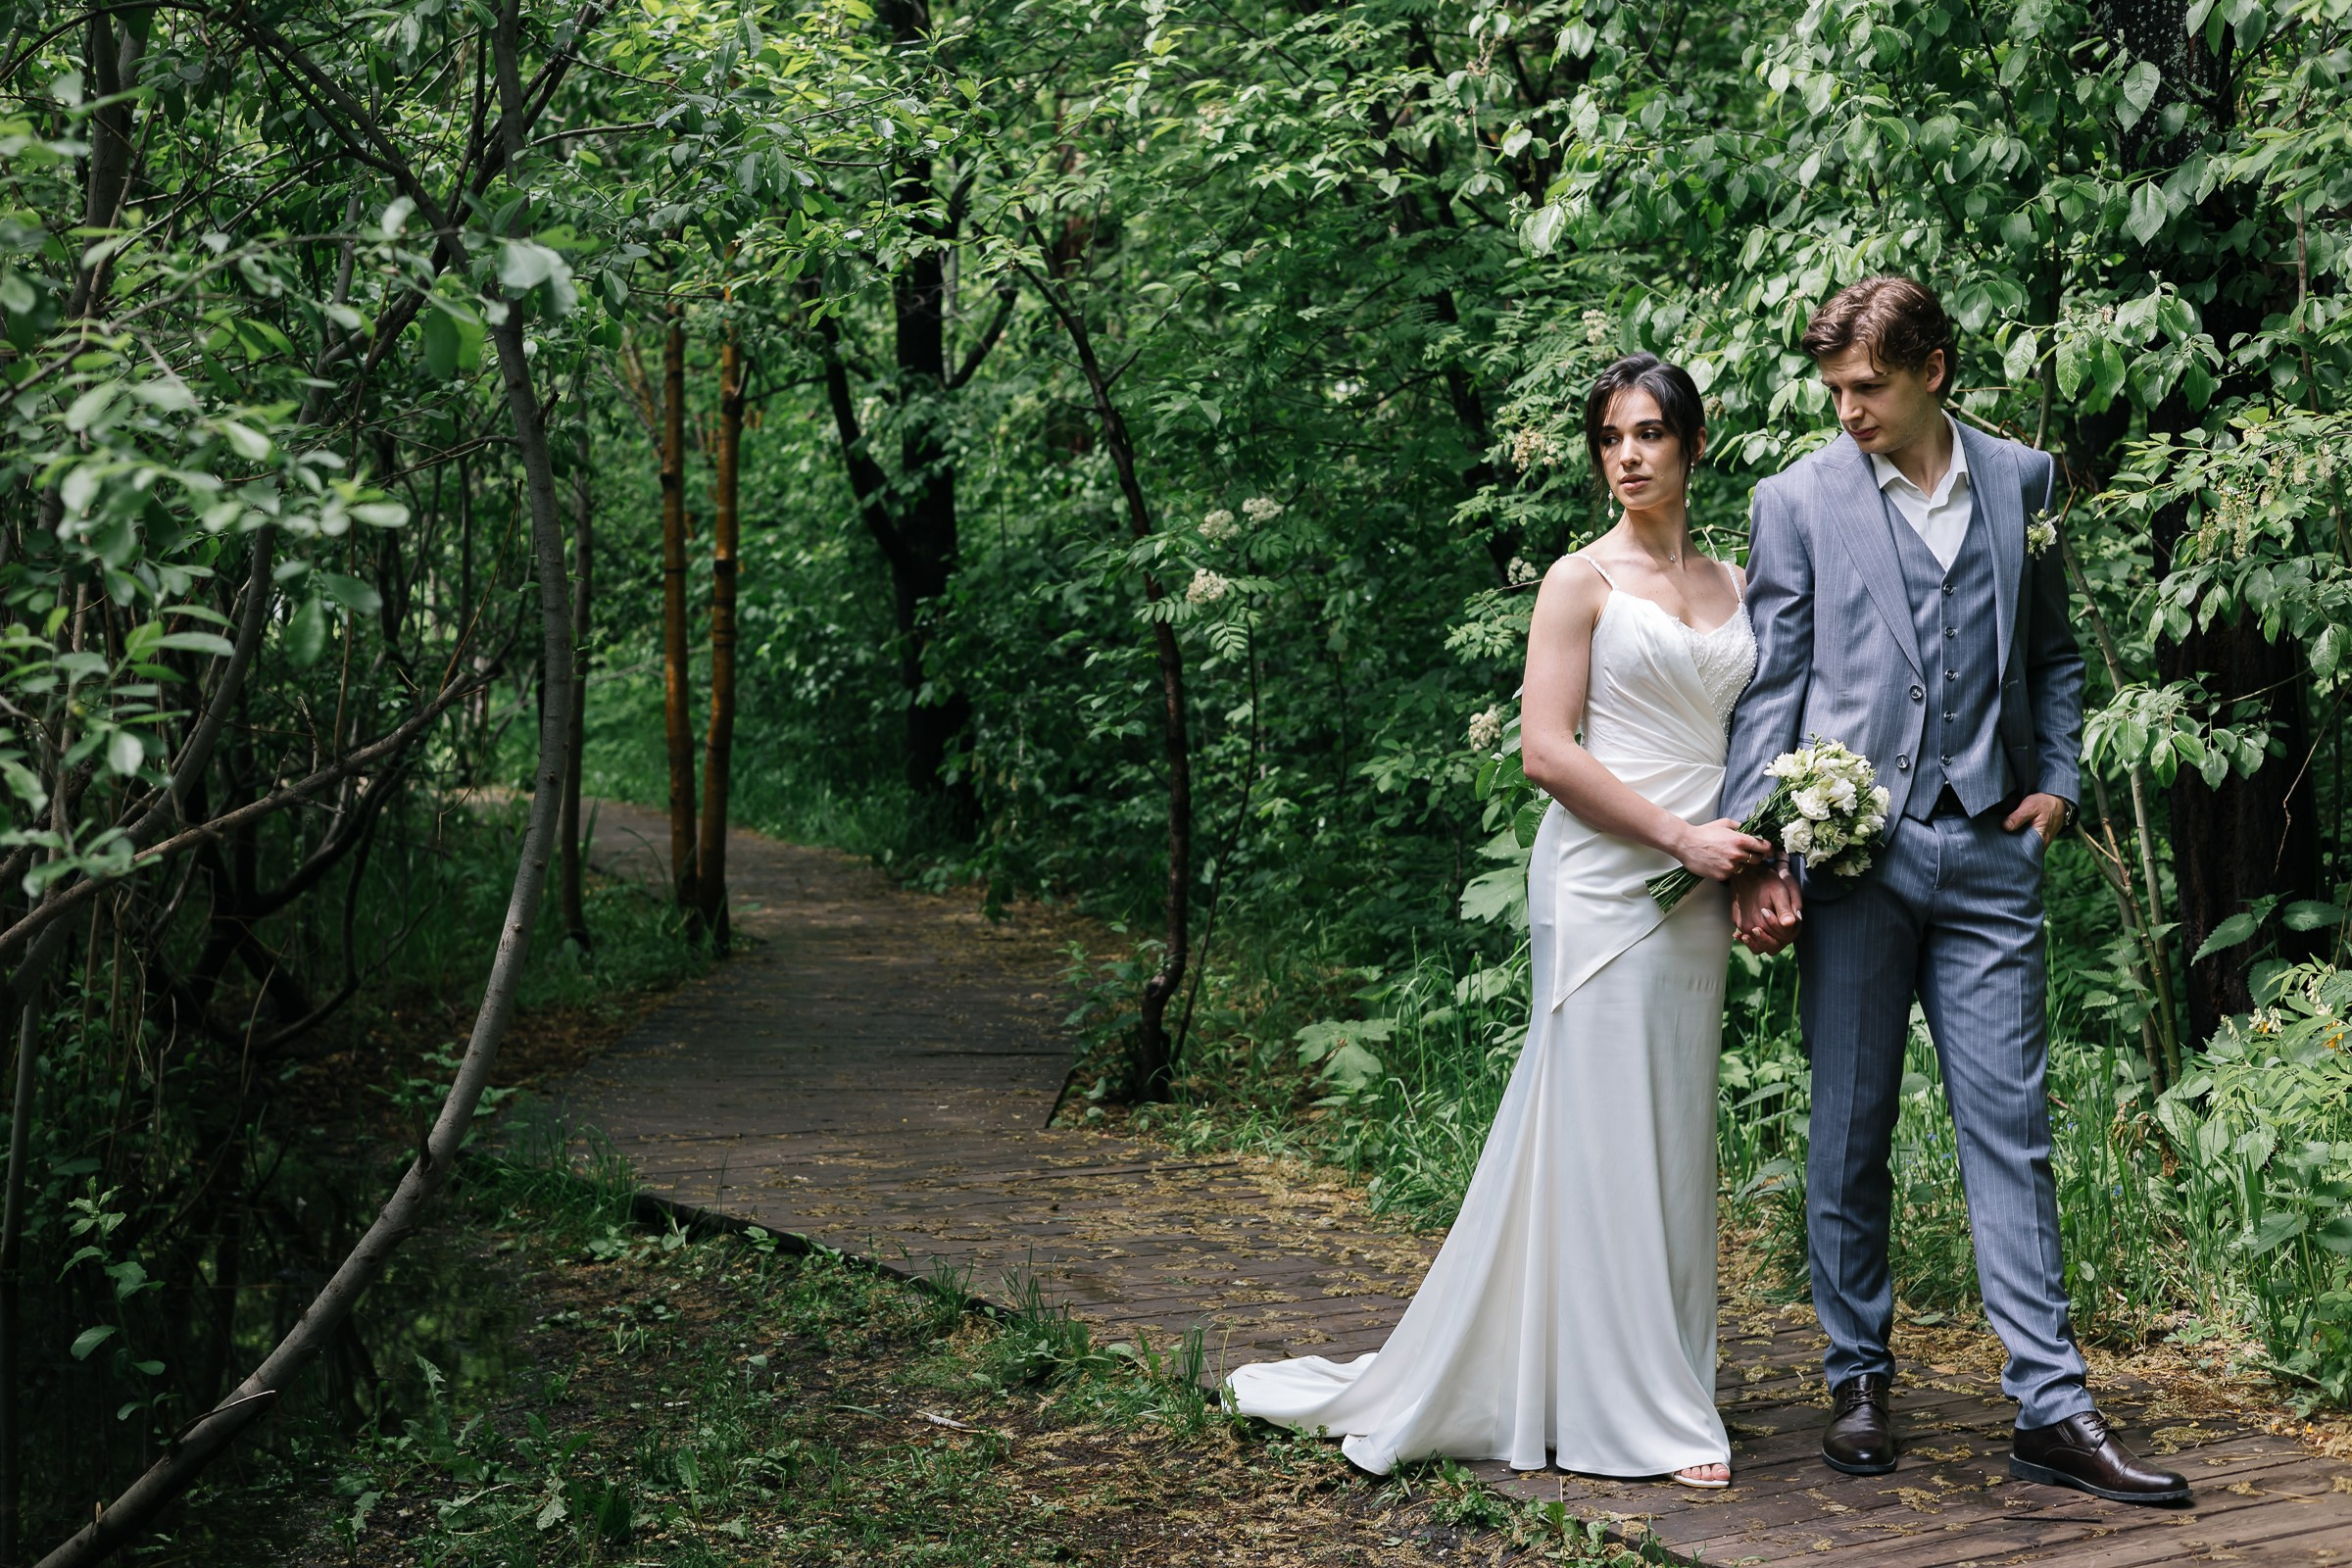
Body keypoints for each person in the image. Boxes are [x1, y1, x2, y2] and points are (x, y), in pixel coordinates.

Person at [1225, 354, 1763, 1487]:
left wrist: (1751, 854)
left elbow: (1756, 737)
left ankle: (1656, 1367)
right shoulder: (1580, 580)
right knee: (1607, 1121)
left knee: (1670, 1133)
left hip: (1699, 893)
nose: (1629, 455)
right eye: (1611, 436)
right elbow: (1546, 751)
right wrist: (1680, 839)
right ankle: (1637, 1415)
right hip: (1608, 879)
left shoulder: (1739, 582)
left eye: (1652, 433)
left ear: (1693, 444)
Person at [1724, 274, 2189, 1505]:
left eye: (1867, 385)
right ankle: (1858, 1376)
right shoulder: (1796, 500)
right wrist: (1760, 849)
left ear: (1933, 369)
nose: (1848, 410)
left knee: (2013, 1133)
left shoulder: (2024, 481)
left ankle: (2051, 1406)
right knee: (1850, 1126)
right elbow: (1772, 686)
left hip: (1988, 849)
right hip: (1854, 858)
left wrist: (2060, 781)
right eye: (1833, 390)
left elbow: (2052, 653)